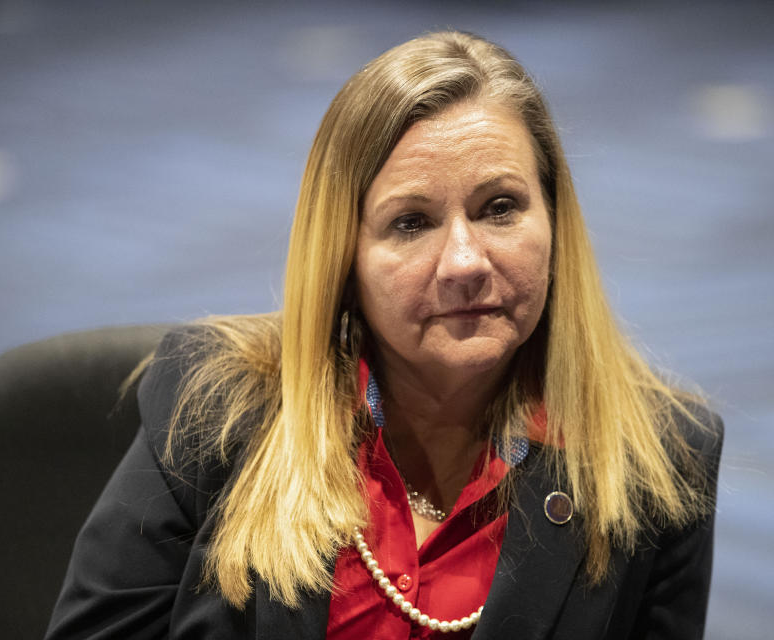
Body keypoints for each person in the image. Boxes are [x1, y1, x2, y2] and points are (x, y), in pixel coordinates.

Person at [46, 31, 723, 640]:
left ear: (555, 224)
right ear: (343, 259)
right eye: (410, 222)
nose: (464, 261)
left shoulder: (659, 462)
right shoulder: (213, 409)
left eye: (500, 208)